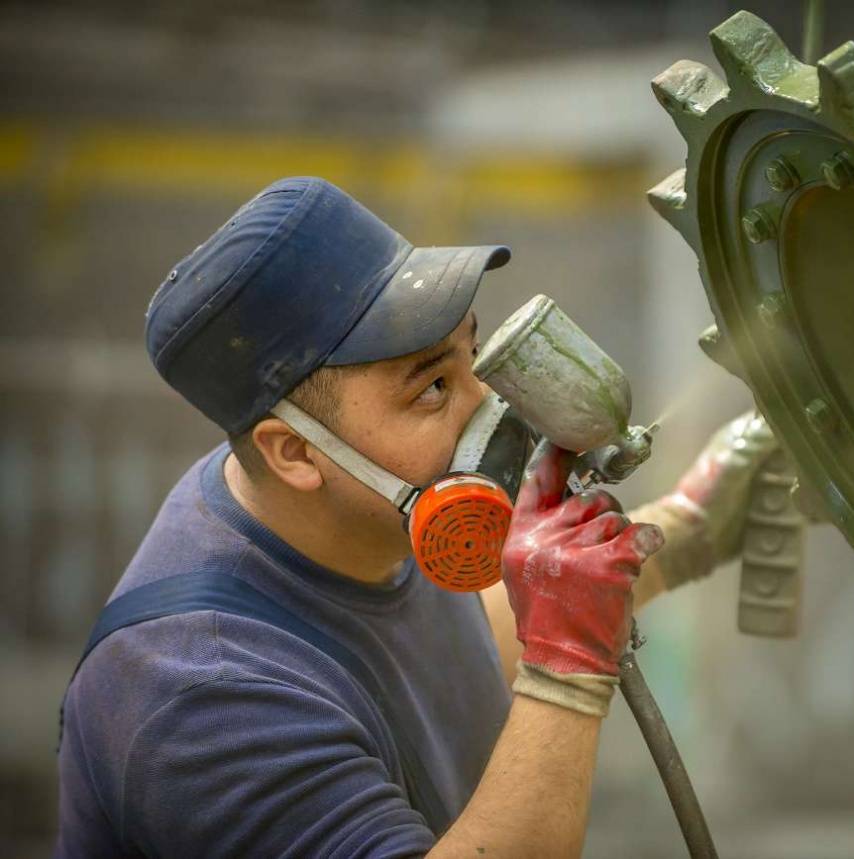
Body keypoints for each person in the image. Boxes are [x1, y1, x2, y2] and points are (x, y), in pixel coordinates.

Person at [55, 177, 776, 857]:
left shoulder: (339, 516)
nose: (490, 405)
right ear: (295, 453)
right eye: (432, 387)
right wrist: (568, 666)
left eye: (471, 353)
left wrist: (687, 529)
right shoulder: (200, 697)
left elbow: (447, 652)